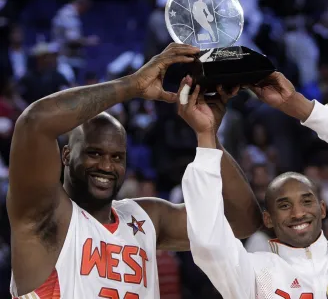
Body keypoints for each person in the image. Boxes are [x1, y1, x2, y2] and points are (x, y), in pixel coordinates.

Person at [7, 43, 262, 298]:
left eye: (117, 157)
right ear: (66, 155)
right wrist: (133, 85)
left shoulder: (147, 219)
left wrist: (208, 136)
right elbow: (35, 122)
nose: (106, 166)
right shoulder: (45, 215)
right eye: (94, 153)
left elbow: (241, 222)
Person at [181, 72, 328, 298]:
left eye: (307, 201)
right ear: (268, 219)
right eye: (284, 206)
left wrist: (302, 108)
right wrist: (205, 139)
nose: (298, 213)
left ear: (322, 208)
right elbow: (209, 243)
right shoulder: (256, 272)